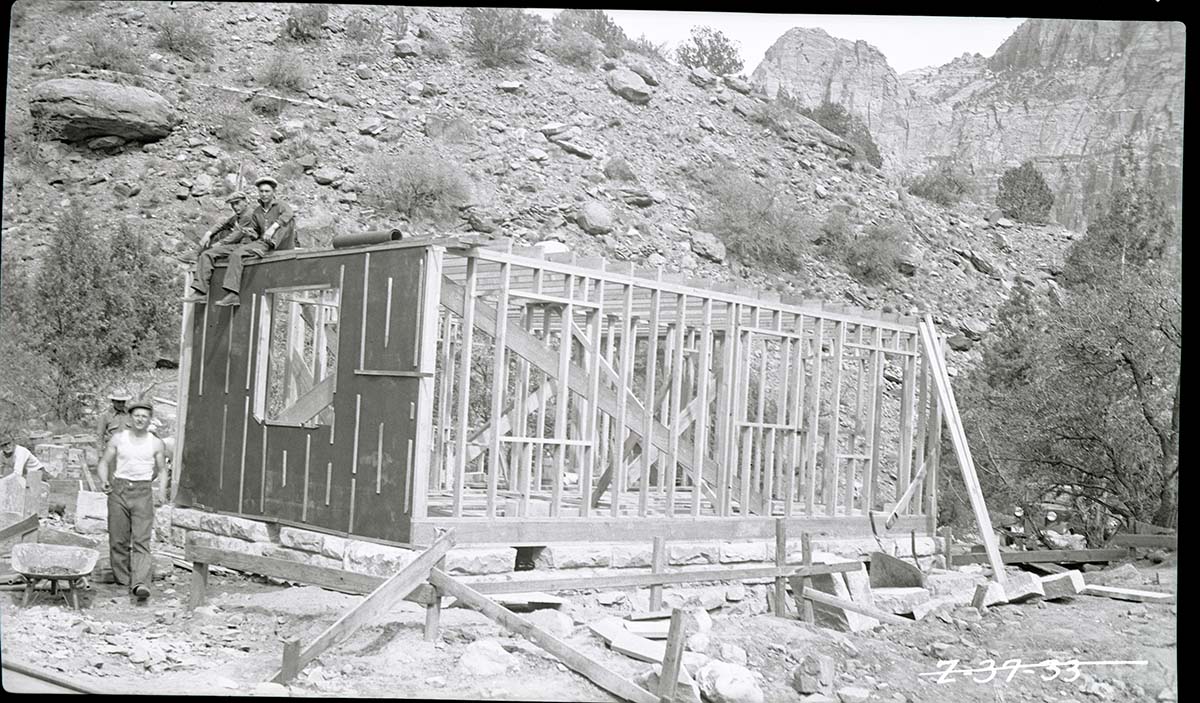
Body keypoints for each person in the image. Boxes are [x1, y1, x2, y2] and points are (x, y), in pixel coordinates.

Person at [95, 398, 165, 603]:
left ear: (150, 419)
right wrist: (104, 480)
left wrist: (160, 492)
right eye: (137, 416)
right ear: (130, 418)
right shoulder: (118, 438)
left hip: (143, 492)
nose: (140, 420)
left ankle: (140, 583)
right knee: (118, 540)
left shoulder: (156, 442)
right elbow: (104, 462)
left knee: (142, 541)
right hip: (119, 490)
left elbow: (162, 470)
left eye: (144, 416)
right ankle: (124, 582)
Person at [214, 176, 296, 308]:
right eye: (261, 191)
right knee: (237, 254)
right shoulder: (257, 211)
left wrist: (273, 228)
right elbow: (257, 232)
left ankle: (266, 247)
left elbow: (289, 214)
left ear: (273, 192)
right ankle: (232, 294)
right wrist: (252, 234)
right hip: (263, 244)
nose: (264, 194)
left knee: (287, 221)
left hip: (281, 245)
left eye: (267, 191)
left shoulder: (281, 206)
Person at [181, 191, 256, 304]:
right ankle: (197, 258)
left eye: (237, 203)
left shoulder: (248, 215)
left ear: (245, 202)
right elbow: (223, 224)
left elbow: (236, 236)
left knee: (208, 254)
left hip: (246, 245)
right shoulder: (238, 216)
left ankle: (201, 292)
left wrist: (220, 244)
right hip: (238, 245)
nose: (235, 207)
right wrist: (208, 234)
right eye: (232, 204)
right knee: (210, 249)